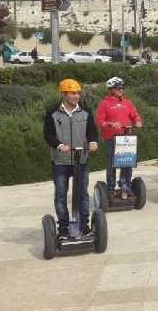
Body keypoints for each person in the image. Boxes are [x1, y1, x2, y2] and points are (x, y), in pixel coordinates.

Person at [43, 79, 99, 239]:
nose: (77, 96)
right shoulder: (53, 112)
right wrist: (59, 145)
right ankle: (63, 228)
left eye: (78, 93)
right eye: (73, 93)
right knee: (61, 194)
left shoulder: (85, 111)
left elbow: (92, 131)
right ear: (63, 94)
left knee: (82, 193)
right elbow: (48, 134)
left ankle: (84, 225)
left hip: (81, 159)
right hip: (61, 160)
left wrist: (93, 142)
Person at [95, 77, 143, 200]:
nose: (121, 90)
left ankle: (125, 185)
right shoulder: (104, 103)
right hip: (111, 139)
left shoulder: (127, 103)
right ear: (111, 89)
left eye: (122, 88)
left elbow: (135, 115)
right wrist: (110, 124)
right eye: (118, 88)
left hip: (127, 139)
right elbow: (99, 121)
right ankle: (111, 188)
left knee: (127, 162)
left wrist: (137, 121)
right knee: (112, 164)